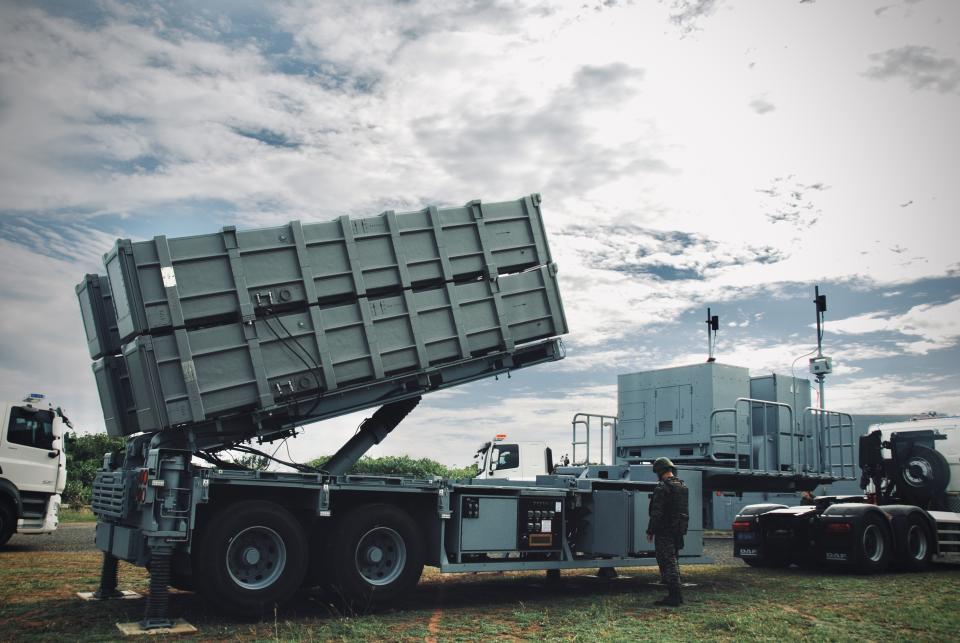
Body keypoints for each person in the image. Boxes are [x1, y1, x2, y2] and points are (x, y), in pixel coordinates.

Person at [646, 457, 689, 607]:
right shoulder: (682, 486)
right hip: (678, 529)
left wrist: (650, 530)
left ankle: (674, 596)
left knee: (667, 561)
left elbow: (657, 512)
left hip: (665, 530)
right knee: (674, 559)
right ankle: (676, 594)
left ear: (660, 471)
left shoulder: (662, 488)